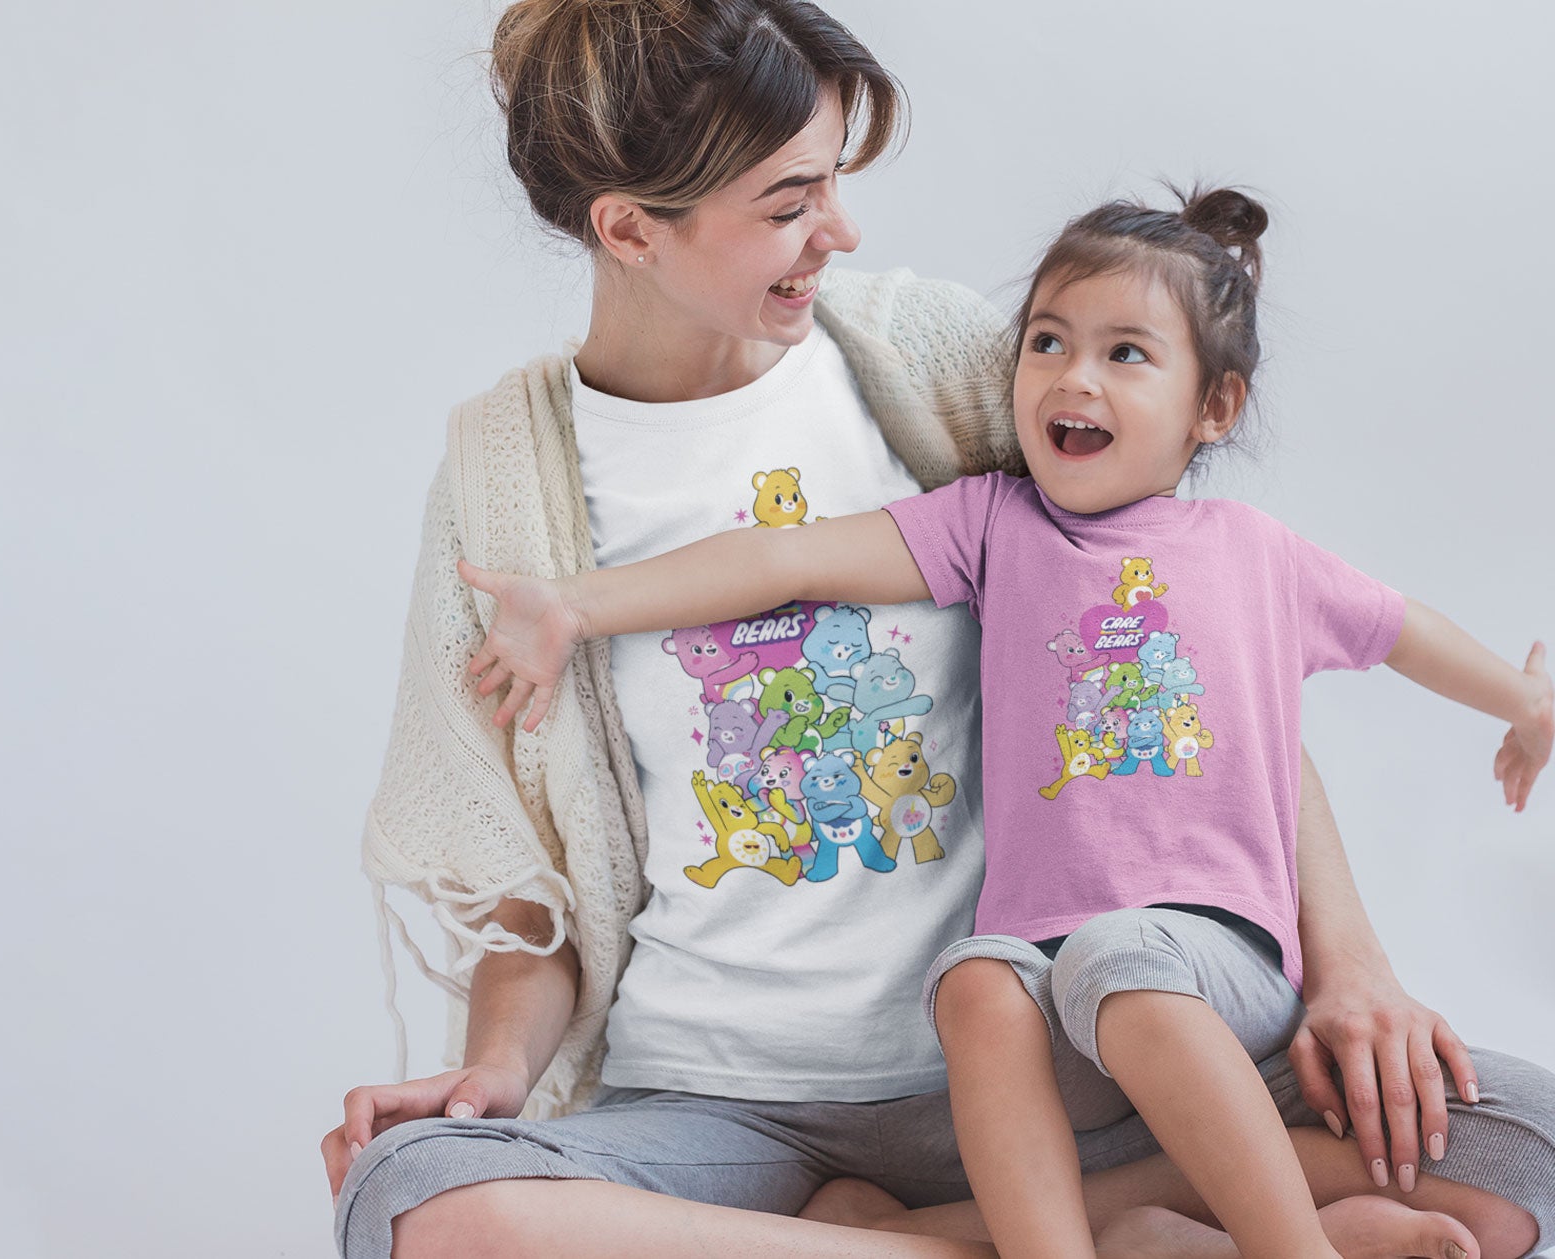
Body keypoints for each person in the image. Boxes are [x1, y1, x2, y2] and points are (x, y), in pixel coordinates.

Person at [322, 2, 1555, 1257]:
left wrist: (1349, 964)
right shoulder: (502, 485)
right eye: (790, 202)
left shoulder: (939, 362)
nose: (839, 231)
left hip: (1046, 1067)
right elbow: (523, 884)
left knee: (1518, 1146)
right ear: (630, 227)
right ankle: (1082, 1240)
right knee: (418, 1197)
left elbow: (1185, 663)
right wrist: (490, 1072)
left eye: (833, 182)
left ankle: (916, 1232)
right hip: (718, 1111)